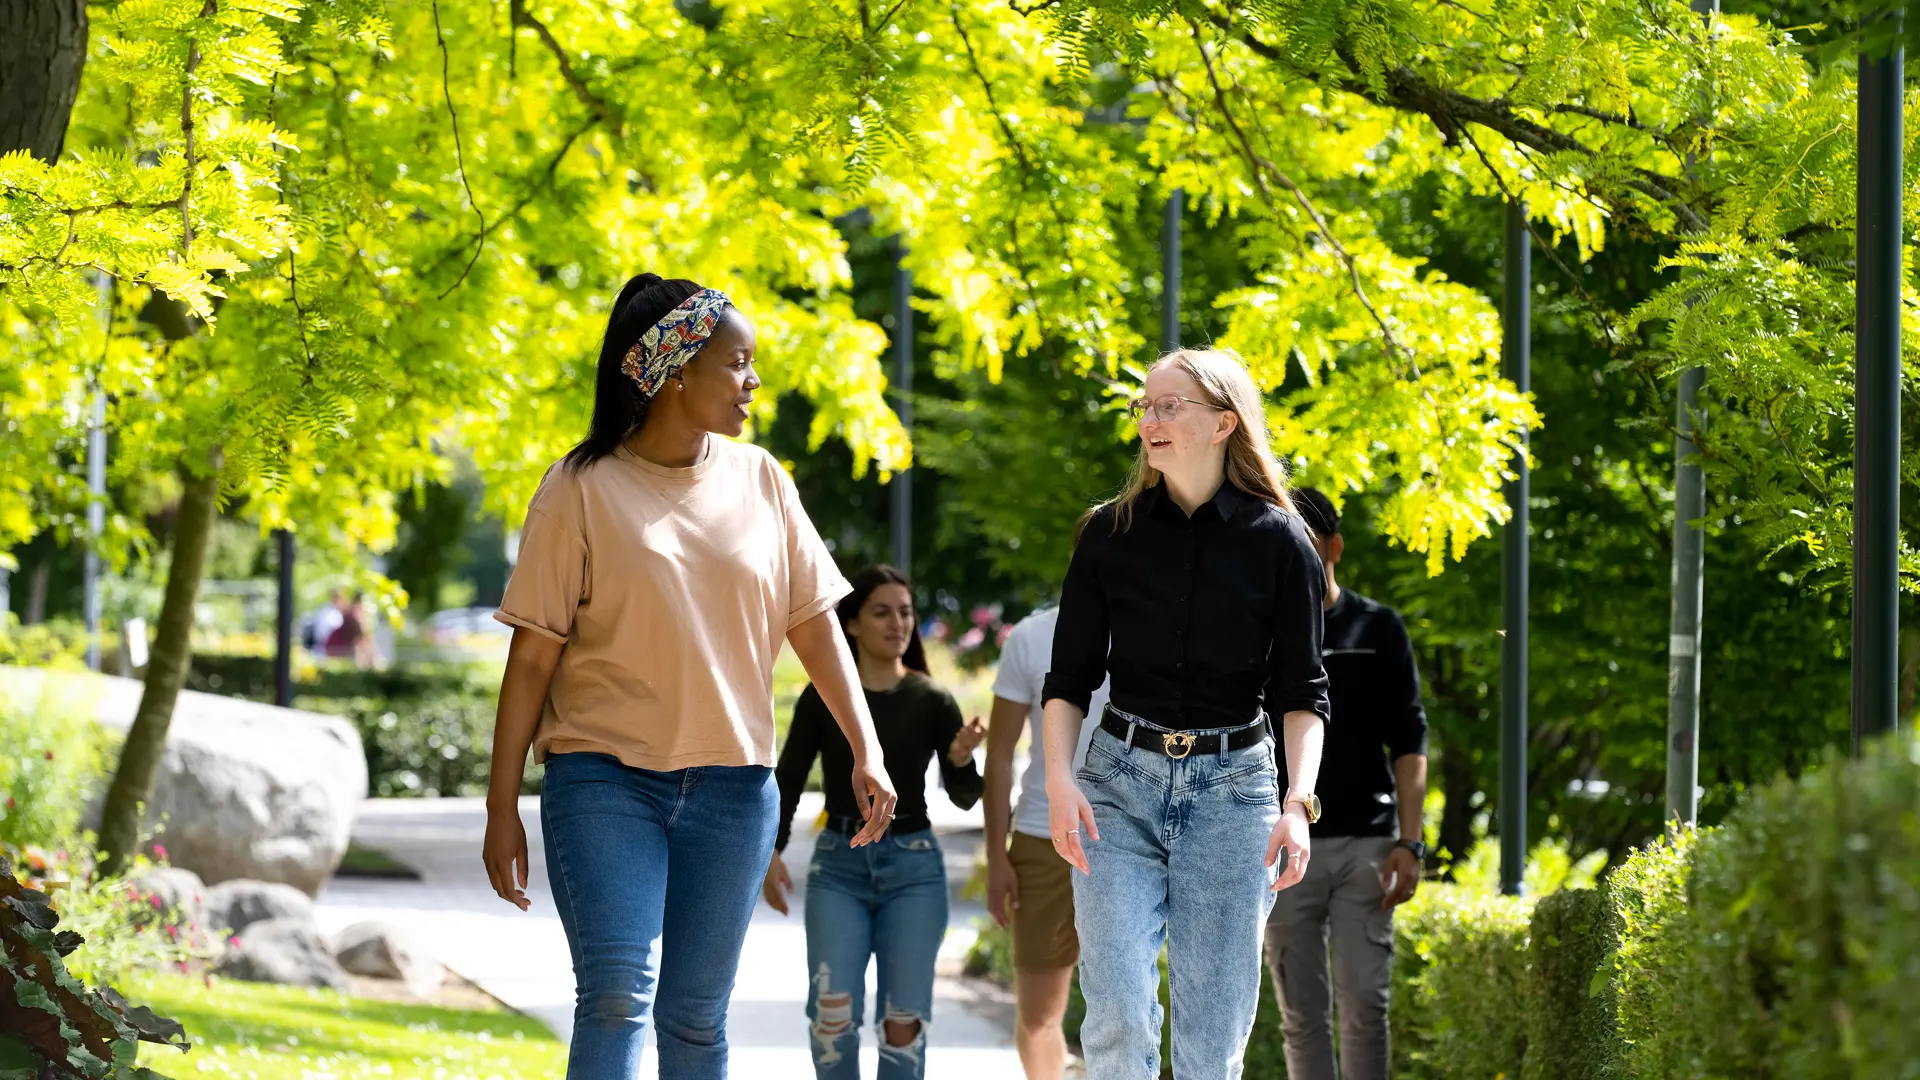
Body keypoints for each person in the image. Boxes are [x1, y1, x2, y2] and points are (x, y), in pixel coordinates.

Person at [481, 273, 900, 1080]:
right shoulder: (579, 490)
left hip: (735, 789)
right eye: (737, 364)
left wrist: (866, 747)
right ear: (675, 372)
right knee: (614, 995)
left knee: (696, 1021)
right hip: (604, 781)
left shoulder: (763, 480)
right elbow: (532, 655)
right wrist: (502, 806)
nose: (752, 382)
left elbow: (812, 623)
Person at [1042, 348, 1331, 1080]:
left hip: (1235, 796)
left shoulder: (1282, 542)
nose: (1151, 420)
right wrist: (1057, 780)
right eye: (1145, 406)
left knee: (1212, 1038)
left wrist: (1298, 804)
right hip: (1116, 787)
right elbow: (1068, 677)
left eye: (1171, 406)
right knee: (1115, 1013)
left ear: (1224, 423)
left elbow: (1302, 690)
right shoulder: (1108, 534)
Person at [763, 564, 987, 1079]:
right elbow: (789, 777)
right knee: (831, 1017)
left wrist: (959, 759)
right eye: (882, 612)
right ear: (853, 624)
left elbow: (966, 797)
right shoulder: (824, 697)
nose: (897, 623)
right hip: (839, 868)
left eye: (905, 612)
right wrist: (769, 854)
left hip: (914, 870)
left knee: (903, 1023)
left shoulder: (931, 698)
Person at [1264, 487, 1428, 1080]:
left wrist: (1411, 843)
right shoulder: (1264, 636)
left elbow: (1411, 743)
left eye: (1308, 545)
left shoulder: (1379, 628)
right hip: (1282, 848)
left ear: (1333, 547)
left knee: (1365, 1005)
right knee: (1300, 1016)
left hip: (1367, 843)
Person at [983, 603, 1111, 1079]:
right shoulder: (1033, 636)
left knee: (1125, 1016)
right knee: (1038, 1020)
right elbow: (998, 757)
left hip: (1132, 838)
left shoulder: (1159, 624)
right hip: (1042, 839)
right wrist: (997, 855)